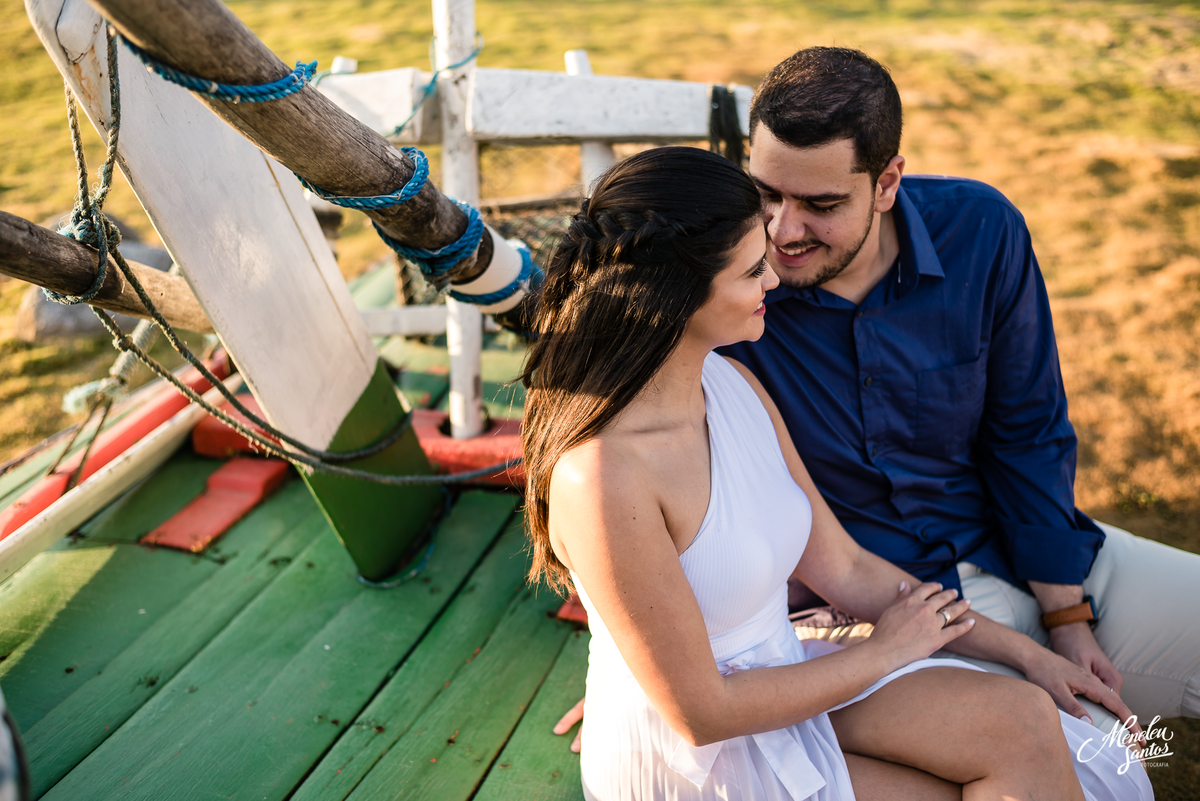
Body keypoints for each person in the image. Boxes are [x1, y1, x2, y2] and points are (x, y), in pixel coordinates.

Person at [552, 46, 1200, 752]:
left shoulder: (982, 231)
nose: (782, 232)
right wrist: (639, 670)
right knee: (1099, 754)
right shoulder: (731, 298)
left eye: (821, 205)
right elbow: (620, 449)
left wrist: (1068, 613)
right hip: (874, 609)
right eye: (767, 193)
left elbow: (1028, 430)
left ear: (888, 181)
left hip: (1033, 553)